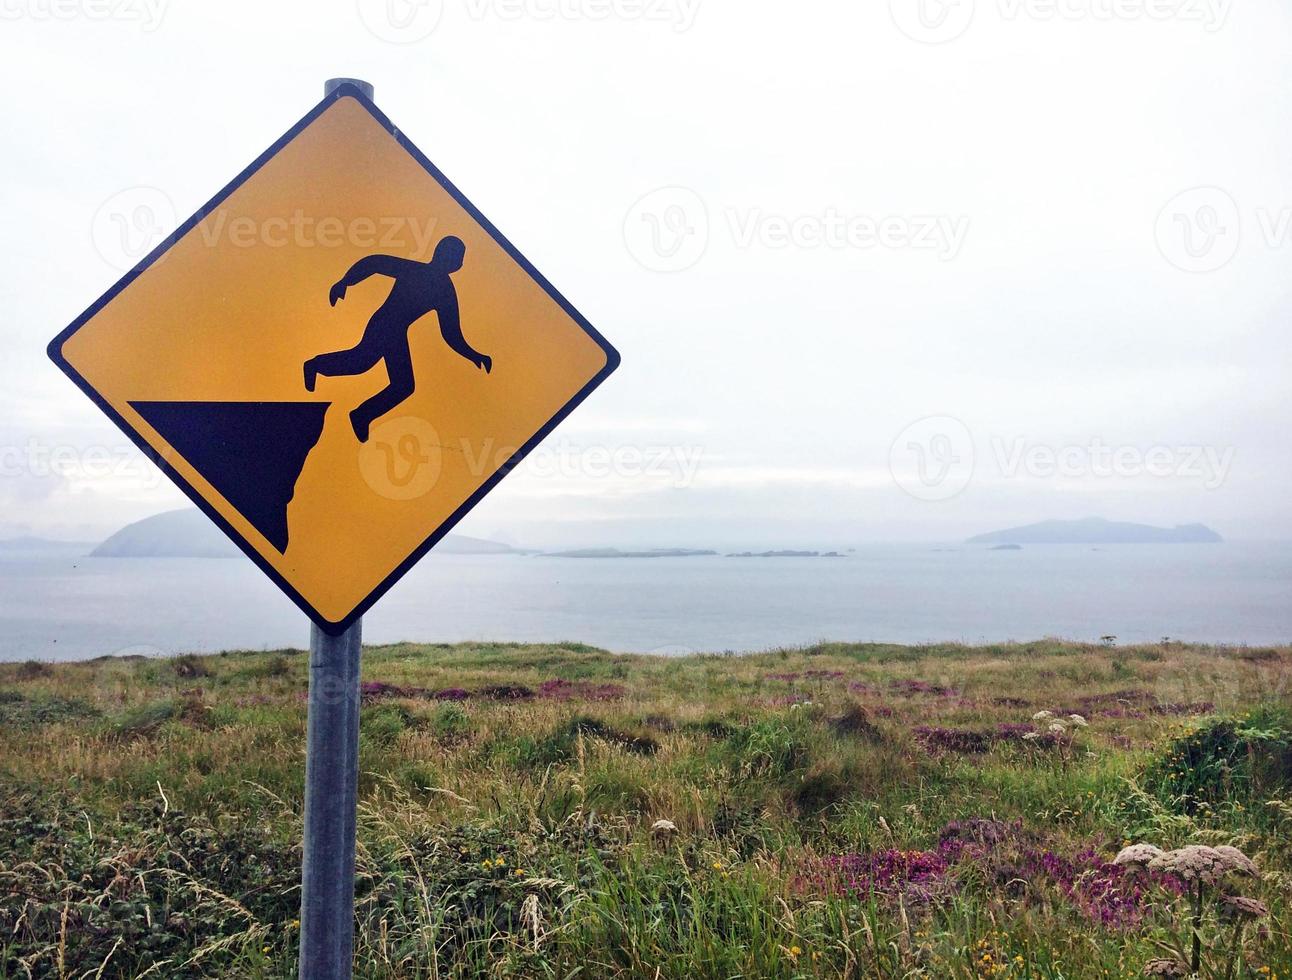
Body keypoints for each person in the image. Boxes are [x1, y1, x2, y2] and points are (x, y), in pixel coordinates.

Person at [304, 236, 491, 442]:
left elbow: (451, 332)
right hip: (384, 323)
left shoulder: (445, 291)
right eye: (457, 256)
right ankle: (316, 367)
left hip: (397, 331)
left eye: (461, 258)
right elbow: (374, 263)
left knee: (402, 384)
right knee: (361, 363)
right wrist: (345, 282)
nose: (460, 262)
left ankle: (361, 414)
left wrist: (474, 355)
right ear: (443, 255)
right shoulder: (415, 270)